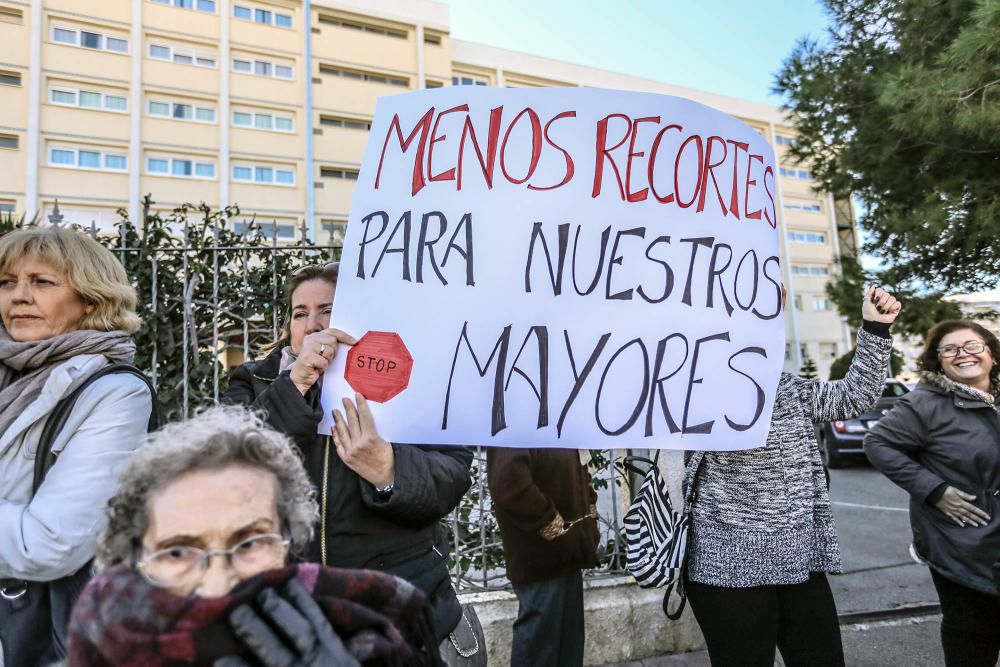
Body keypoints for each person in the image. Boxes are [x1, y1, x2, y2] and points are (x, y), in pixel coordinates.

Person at [66, 405, 442, 666]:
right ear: (135, 560)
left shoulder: (370, 639)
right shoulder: (102, 641)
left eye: (249, 543)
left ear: (290, 546)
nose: (218, 585)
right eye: (178, 552)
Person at [222, 262, 474, 644]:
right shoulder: (254, 381)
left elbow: (451, 477)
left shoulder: (414, 375)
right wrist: (295, 386)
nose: (312, 325)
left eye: (328, 310)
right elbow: (228, 469)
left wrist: (388, 470)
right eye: (300, 313)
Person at [683, 286, 901, 667]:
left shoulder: (787, 388)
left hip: (800, 563)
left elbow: (854, 396)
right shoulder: (686, 389)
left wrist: (875, 329)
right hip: (724, 569)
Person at [0, 226, 154, 667]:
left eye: (42, 283)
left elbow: (49, 544)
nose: (19, 296)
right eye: (7, 283)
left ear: (91, 299)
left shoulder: (114, 392)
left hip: (34, 632)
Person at [864, 320, 1000, 666]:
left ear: (991, 353)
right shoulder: (925, 404)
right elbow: (878, 443)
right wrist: (934, 490)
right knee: (973, 636)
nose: (963, 354)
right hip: (963, 545)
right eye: (950, 349)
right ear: (938, 361)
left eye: (972, 345)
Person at [487, 447, 600, 667]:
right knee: (539, 651)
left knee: (568, 651)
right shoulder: (518, 417)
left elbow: (579, 470)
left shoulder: (558, 418)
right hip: (540, 558)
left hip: (568, 554)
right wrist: (552, 526)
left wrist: (586, 523)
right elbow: (508, 482)